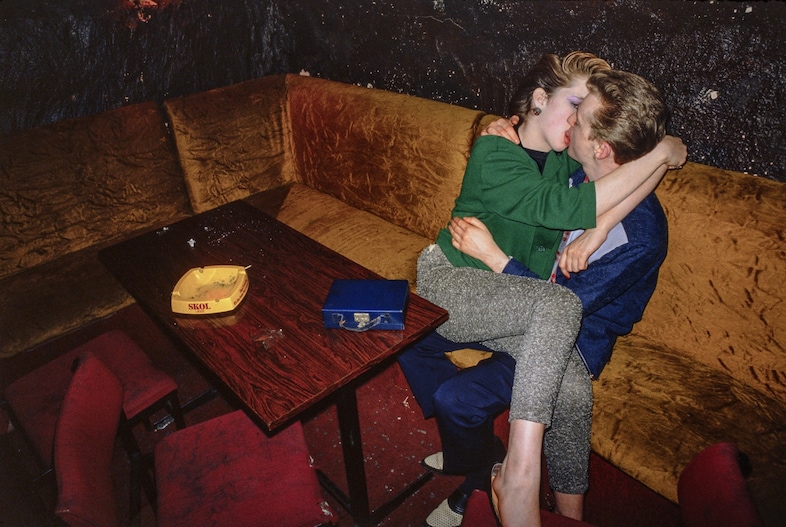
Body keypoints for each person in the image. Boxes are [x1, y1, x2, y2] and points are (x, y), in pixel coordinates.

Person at [402, 53, 687, 527]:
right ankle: (478, 455)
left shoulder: (640, 236)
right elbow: (558, 190)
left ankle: (483, 477)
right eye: (574, 108)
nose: (571, 124)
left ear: (600, 147)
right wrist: (502, 127)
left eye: (580, 117)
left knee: (459, 400)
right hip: (522, 307)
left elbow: (565, 306)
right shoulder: (571, 169)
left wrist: (498, 259)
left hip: (572, 340)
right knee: (410, 334)